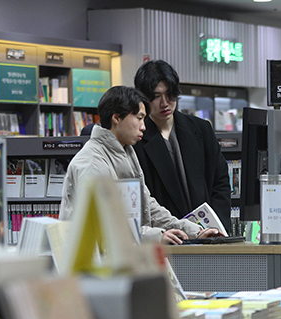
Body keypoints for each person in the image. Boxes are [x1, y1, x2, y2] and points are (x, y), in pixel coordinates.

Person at [59, 86, 220, 244]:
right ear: (116, 118)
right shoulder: (92, 162)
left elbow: (148, 206)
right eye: (139, 118)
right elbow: (106, 223)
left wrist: (193, 231)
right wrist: (156, 236)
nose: (144, 126)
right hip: (93, 265)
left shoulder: (126, 151)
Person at [133, 60, 232, 233]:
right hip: (167, 237)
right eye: (156, 96)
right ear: (143, 98)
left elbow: (220, 181)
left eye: (169, 94)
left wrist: (215, 226)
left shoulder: (201, 129)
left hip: (209, 233)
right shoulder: (137, 139)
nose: (165, 102)